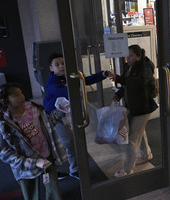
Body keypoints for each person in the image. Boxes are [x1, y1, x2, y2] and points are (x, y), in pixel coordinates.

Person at [43, 53, 114, 180]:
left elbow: (84, 80)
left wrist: (103, 74)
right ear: (51, 68)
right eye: (57, 65)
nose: (61, 66)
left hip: (69, 114)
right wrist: (78, 86)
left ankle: (75, 168)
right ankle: (68, 170)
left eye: (63, 63)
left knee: (73, 141)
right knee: (67, 143)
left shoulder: (69, 76)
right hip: (57, 117)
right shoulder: (53, 82)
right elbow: (65, 91)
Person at [0, 83, 67, 200]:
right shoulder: (4, 123)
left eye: (21, 93)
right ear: (5, 100)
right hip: (25, 166)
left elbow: (49, 123)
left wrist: (60, 111)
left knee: (54, 189)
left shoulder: (32, 108)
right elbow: (5, 153)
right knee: (31, 194)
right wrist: (32, 163)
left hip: (46, 155)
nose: (21, 97)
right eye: (15, 95)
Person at [111, 45, 158, 177]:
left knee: (132, 138)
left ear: (138, 56)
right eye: (127, 56)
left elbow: (140, 82)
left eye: (131, 56)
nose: (128, 59)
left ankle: (127, 168)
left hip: (143, 107)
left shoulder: (145, 66)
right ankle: (147, 154)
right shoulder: (131, 67)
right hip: (133, 106)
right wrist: (119, 93)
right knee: (139, 132)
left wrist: (120, 79)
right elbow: (128, 85)